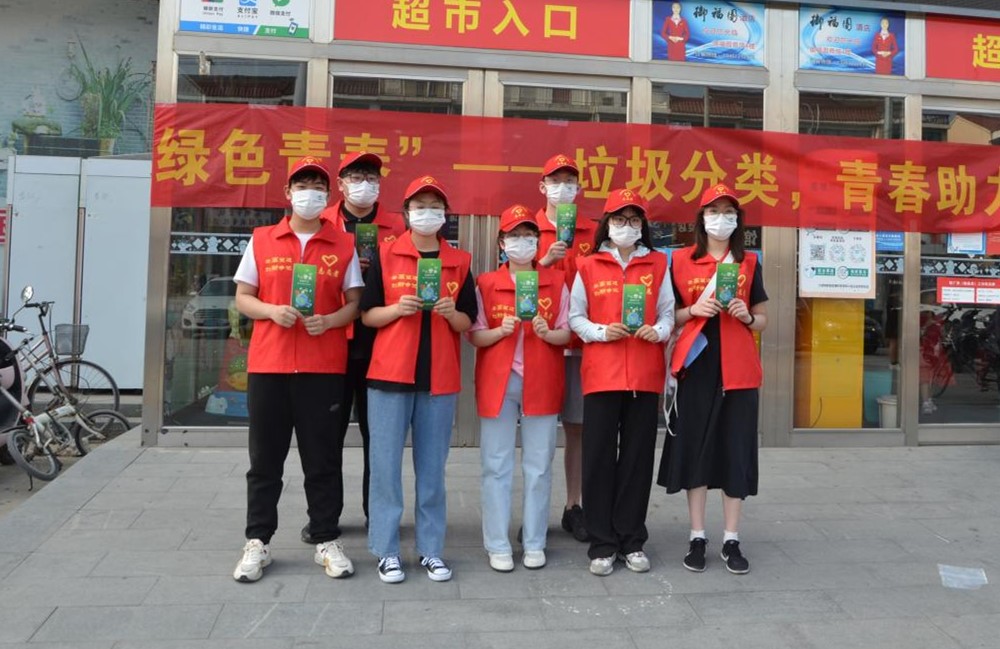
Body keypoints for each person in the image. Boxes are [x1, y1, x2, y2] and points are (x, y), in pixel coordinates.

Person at [231, 156, 364, 583]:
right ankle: (258, 541)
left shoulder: (342, 244)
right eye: (303, 186)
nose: (311, 194)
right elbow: (243, 297)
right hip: (269, 365)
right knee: (264, 460)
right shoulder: (263, 239)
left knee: (322, 459)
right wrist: (271, 311)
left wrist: (331, 320)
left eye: (318, 187)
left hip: (322, 367)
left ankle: (326, 538)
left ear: (329, 195)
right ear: (288, 193)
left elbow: (354, 303)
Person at [361, 175, 477, 584]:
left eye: (435, 206)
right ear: (407, 212)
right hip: (389, 374)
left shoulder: (459, 261)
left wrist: (450, 313)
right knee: (385, 468)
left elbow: (468, 321)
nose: (428, 213)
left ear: (445, 215)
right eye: (420, 206)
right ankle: (387, 550)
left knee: (432, 472)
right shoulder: (386, 253)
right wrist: (397, 309)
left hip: (438, 379)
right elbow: (368, 315)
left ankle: (431, 550)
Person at [657, 183, 768, 575]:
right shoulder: (680, 261)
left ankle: (732, 538)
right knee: (696, 449)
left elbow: (763, 318)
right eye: (714, 212)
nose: (722, 219)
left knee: (735, 450)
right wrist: (694, 310)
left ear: (738, 220)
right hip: (697, 365)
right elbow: (668, 316)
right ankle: (697, 536)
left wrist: (747, 316)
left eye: (729, 212)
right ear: (701, 219)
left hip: (738, 369)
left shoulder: (748, 262)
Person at [299, 150, 406, 543]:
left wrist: (377, 273)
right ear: (340, 184)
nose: (365, 184)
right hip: (331, 345)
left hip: (381, 347)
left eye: (372, 177)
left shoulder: (397, 227)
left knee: (380, 440)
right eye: (356, 177)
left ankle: (378, 516)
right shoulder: (320, 222)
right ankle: (324, 518)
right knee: (326, 436)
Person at [569, 188, 674, 576]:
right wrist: (600, 332)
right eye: (619, 219)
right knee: (597, 459)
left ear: (642, 226)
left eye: (633, 220)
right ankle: (602, 543)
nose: (626, 226)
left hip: (644, 375)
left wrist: (657, 331)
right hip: (602, 374)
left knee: (636, 460)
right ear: (607, 224)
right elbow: (575, 317)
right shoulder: (588, 265)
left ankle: (632, 539)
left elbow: (668, 313)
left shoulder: (658, 264)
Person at [469, 204, 570, 572]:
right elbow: (475, 335)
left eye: (529, 236)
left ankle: (534, 542)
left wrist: (547, 332)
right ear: (501, 242)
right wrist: (501, 331)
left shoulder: (556, 282)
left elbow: (568, 332)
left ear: (539, 242)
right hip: (499, 379)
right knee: (495, 464)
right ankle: (497, 543)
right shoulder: (486, 283)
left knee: (539, 465)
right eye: (514, 236)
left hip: (541, 377)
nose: (522, 242)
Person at [535, 153, 596, 544]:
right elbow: (506, 280)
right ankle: (534, 512)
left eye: (570, 182)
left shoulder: (593, 231)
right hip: (538, 343)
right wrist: (544, 261)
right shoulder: (526, 228)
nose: (563, 188)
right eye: (555, 181)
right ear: (542, 186)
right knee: (538, 431)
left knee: (577, 429)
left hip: (579, 345)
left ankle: (575, 505)